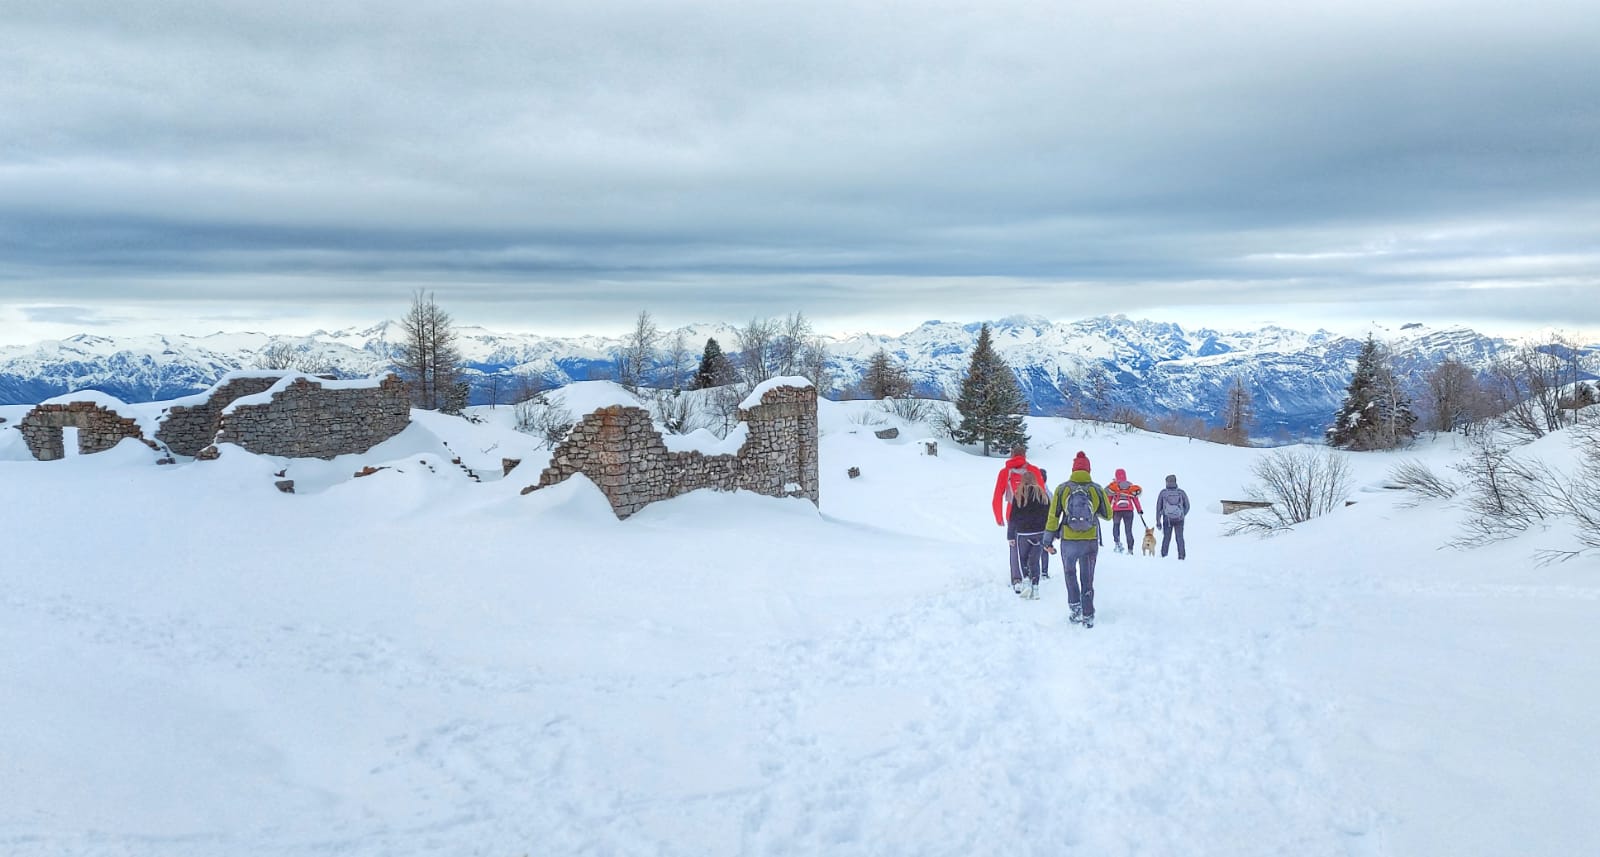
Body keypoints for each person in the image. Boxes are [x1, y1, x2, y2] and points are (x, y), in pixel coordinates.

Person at [1044, 451, 1112, 628]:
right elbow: (1109, 515)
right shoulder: (1096, 488)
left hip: (1069, 539)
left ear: (1073, 469)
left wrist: (1047, 539)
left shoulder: (1062, 488)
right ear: (1088, 469)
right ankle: (1088, 614)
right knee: (1087, 577)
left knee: (1070, 574)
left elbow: (1053, 516)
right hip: (1090, 540)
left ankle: (1075, 609)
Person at [992, 444, 1045, 590]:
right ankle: (1032, 576)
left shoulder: (1005, 472)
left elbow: (997, 495)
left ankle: (1017, 579)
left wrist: (999, 516)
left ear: (1012, 454)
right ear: (1025, 455)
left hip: (1013, 515)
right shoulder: (1033, 470)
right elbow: (1042, 494)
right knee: (1033, 546)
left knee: (1014, 547)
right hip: (1035, 515)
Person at [1006, 472, 1051, 599]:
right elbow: (1049, 516)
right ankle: (1035, 587)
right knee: (1035, 561)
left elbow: (1013, 518)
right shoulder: (1043, 495)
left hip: (1023, 533)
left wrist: (1010, 536)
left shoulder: (1019, 496)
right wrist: (1051, 534)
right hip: (1040, 533)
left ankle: (1026, 581)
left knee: (1023, 559)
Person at [1106, 468, 1144, 554]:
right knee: (1128, 530)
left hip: (1116, 511)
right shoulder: (1130, 486)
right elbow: (1135, 499)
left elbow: (1109, 499)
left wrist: (1107, 509)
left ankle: (1117, 544)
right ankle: (1130, 549)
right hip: (1129, 511)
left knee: (1116, 527)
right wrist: (1139, 510)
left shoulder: (1114, 486)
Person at [1155, 474, 1191, 560]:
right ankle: (1181, 556)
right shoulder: (1181, 492)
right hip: (1179, 519)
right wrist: (1182, 514)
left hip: (1167, 519)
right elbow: (1188, 506)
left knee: (1166, 537)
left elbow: (1158, 508)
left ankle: (1164, 555)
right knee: (1180, 538)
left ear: (1167, 482)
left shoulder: (1163, 493)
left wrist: (1158, 521)